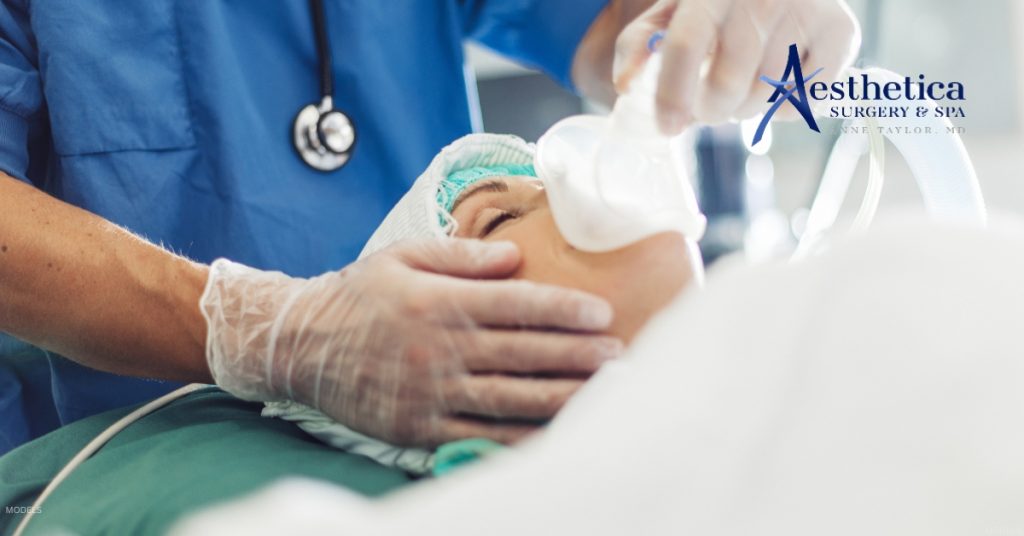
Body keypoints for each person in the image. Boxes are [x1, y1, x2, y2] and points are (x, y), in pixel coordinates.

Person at [0, 0, 861, 453]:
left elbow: (614, 26)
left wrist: (720, 31)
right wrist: (275, 334)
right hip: (109, 426)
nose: (565, 175)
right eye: (501, 213)